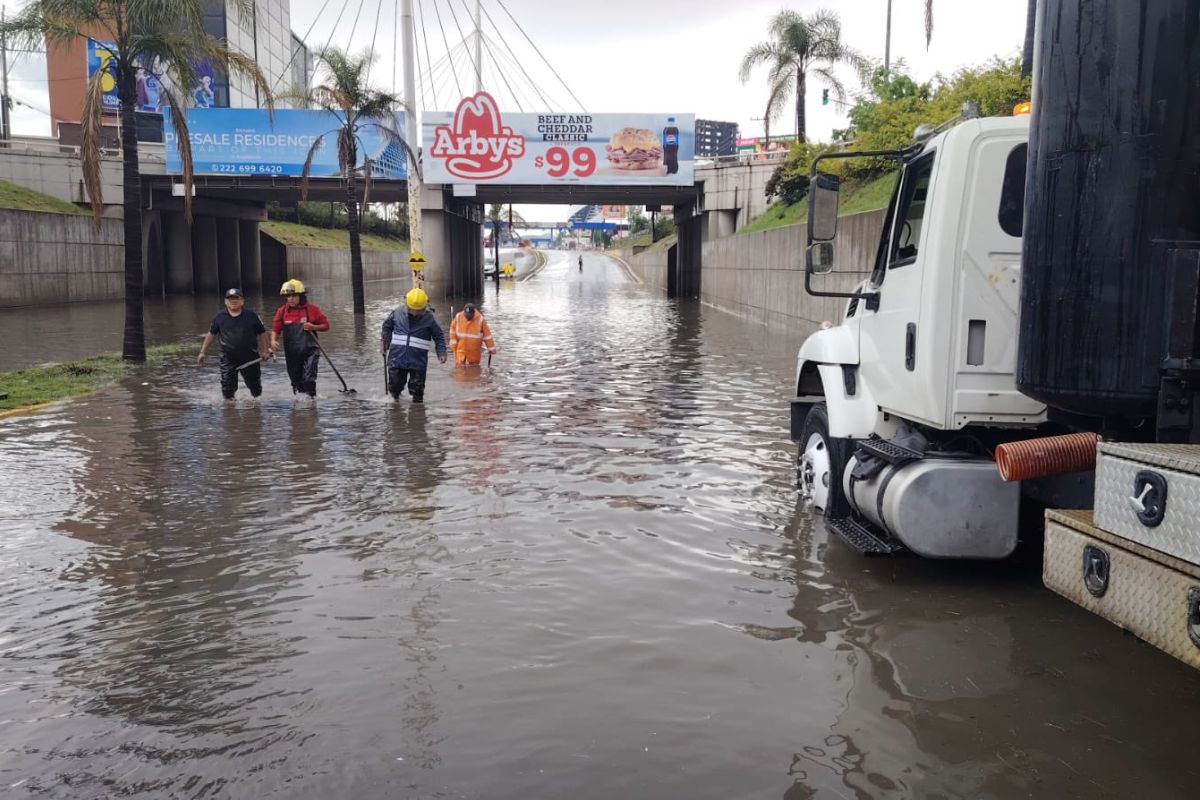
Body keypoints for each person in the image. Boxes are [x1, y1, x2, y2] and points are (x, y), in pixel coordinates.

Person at [198, 288, 270, 399]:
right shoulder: (219, 317)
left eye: (236, 298)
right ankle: (230, 412)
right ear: (225, 301)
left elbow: (263, 333)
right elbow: (211, 334)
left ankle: (257, 410)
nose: (233, 301)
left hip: (250, 357)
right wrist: (203, 352)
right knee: (227, 389)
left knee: (255, 389)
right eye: (230, 299)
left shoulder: (252, 316)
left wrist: (265, 351)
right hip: (228, 358)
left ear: (242, 301)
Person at [382, 288, 447, 403]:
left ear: (424, 307)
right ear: (406, 304)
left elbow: (439, 336)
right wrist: (385, 342)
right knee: (394, 388)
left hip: (418, 362)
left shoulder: (429, 319)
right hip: (397, 359)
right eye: (412, 310)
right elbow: (387, 327)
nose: (415, 313)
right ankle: (395, 413)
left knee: (417, 392)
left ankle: (417, 415)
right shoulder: (397, 313)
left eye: (419, 310)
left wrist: (441, 352)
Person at [270, 279, 330, 397]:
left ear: (301, 296)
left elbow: (326, 326)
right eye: (288, 296)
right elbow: (276, 330)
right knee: (296, 382)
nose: (290, 299)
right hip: (292, 353)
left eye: (294, 296)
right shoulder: (282, 311)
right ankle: (299, 411)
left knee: (309, 379)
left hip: (310, 350)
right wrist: (273, 341)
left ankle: (312, 404)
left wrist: (313, 326)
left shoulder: (313, 310)